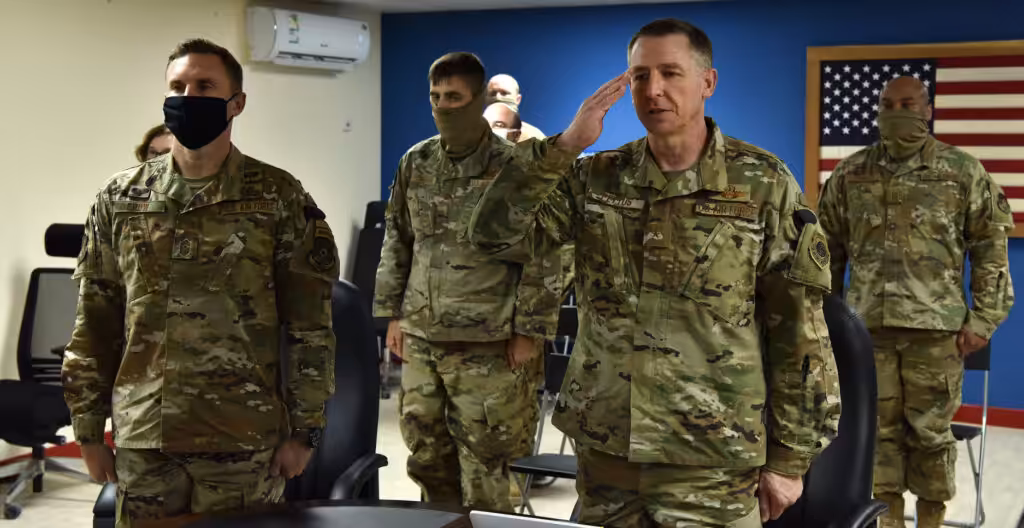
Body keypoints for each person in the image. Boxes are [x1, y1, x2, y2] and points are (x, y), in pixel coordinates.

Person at [468, 18, 841, 527]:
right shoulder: (596, 176)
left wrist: (791, 459)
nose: (654, 90)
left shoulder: (762, 183)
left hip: (712, 456)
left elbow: (799, 328)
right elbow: (493, 234)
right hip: (608, 451)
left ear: (707, 83)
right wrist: (566, 145)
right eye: (640, 76)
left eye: (670, 73)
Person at [62, 38, 339, 527]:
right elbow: (94, 323)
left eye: (204, 85)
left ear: (237, 103)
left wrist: (305, 432)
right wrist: (88, 432)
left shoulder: (277, 196)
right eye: (177, 86)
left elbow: (309, 327)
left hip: (242, 435)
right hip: (145, 434)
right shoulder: (121, 197)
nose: (188, 96)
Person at [817, 76, 1014, 528]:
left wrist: (984, 319)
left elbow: (990, 248)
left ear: (927, 110)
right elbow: (826, 253)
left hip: (937, 332)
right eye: (888, 104)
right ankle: (887, 520)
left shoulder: (962, 172)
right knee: (878, 435)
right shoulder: (850, 173)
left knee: (930, 435)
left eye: (907, 103)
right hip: (866, 331)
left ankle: (931, 520)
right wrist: (824, 322)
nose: (897, 111)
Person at [373, 52, 564, 513]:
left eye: (454, 97)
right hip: (422, 337)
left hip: (491, 343)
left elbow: (549, 254)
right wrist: (392, 316)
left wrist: (529, 332)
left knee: (488, 465)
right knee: (426, 455)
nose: (443, 106)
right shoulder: (416, 161)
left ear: (478, 99)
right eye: (436, 97)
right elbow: (398, 238)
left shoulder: (515, 167)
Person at [486, 73, 545, 141]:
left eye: (504, 93)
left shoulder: (534, 136)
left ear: (518, 99)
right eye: (492, 93)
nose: (497, 97)